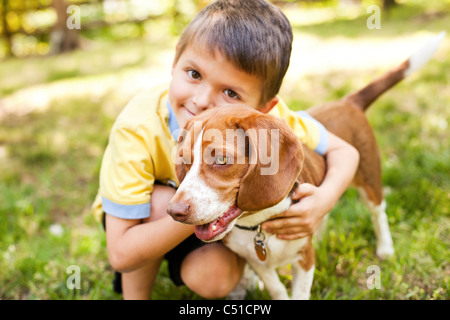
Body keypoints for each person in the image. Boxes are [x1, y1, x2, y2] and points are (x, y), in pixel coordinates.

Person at [91, 0, 359, 300]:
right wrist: (200, 208)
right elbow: (121, 254)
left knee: (216, 280)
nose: (202, 100)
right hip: (140, 223)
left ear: (263, 108)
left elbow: (346, 152)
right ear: (175, 61)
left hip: (209, 216)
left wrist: (325, 199)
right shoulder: (137, 127)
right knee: (157, 202)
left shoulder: (260, 124)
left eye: (231, 93)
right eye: (193, 74)